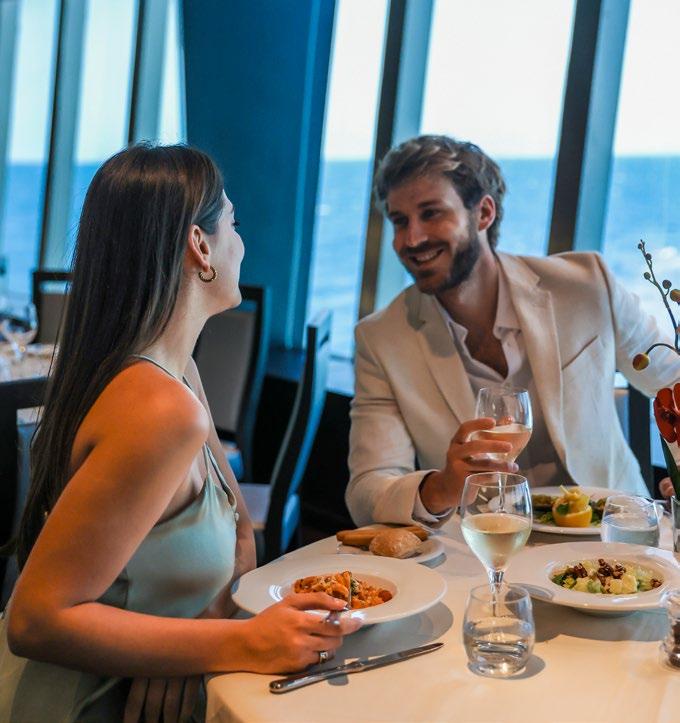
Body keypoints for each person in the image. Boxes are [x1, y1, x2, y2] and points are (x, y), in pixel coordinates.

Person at [0, 144, 360, 722]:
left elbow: (240, 532)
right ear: (200, 245)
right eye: (233, 224)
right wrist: (240, 642)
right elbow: (35, 621)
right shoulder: (159, 410)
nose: (242, 244)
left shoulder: (178, 372)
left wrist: (195, 640)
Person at [346, 134, 680, 527]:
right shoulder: (380, 339)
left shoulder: (588, 285)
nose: (412, 239)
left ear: (483, 213)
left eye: (431, 213)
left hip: (617, 533)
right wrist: (443, 486)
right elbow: (367, 489)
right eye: (399, 221)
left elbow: (672, 378)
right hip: (485, 546)